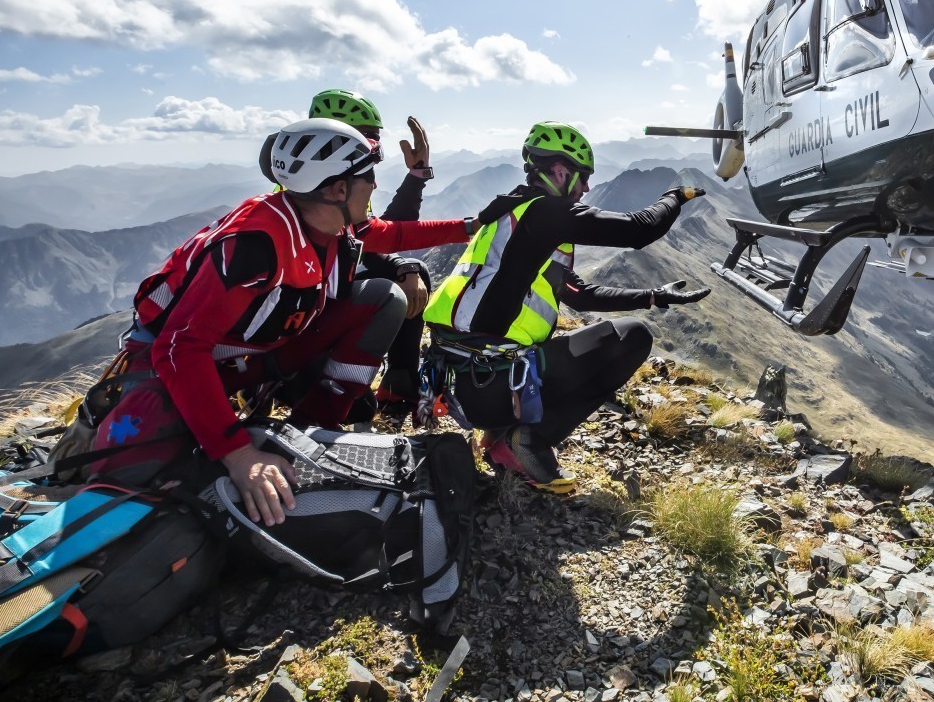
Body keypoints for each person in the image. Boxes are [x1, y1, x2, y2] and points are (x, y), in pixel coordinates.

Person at [92, 118, 477, 525]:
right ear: (337, 188)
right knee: (136, 474)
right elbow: (179, 348)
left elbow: (387, 235)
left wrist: (471, 227)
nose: (375, 187)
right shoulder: (254, 245)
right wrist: (239, 455)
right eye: (369, 177)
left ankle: (309, 431)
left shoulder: (323, 218)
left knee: (383, 298)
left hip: (258, 351)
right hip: (180, 366)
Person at [421, 120, 710, 493]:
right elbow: (639, 229)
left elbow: (577, 292)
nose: (587, 187)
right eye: (583, 177)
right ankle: (529, 443)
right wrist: (675, 196)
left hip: (459, 380)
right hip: (488, 383)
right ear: (560, 171)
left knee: (622, 331)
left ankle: (500, 435)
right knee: (632, 339)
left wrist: (653, 296)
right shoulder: (545, 214)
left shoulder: (511, 213)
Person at [304, 88, 435, 413]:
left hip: (320, 309)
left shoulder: (341, 180)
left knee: (412, 270)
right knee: (395, 281)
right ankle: (325, 382)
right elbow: (362, 247)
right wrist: (402, 264)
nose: (372, 153)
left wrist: (416, 177)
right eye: (365, 143)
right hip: (304, 325)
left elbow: (377, 236)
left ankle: (399, 388)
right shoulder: (315, 191)